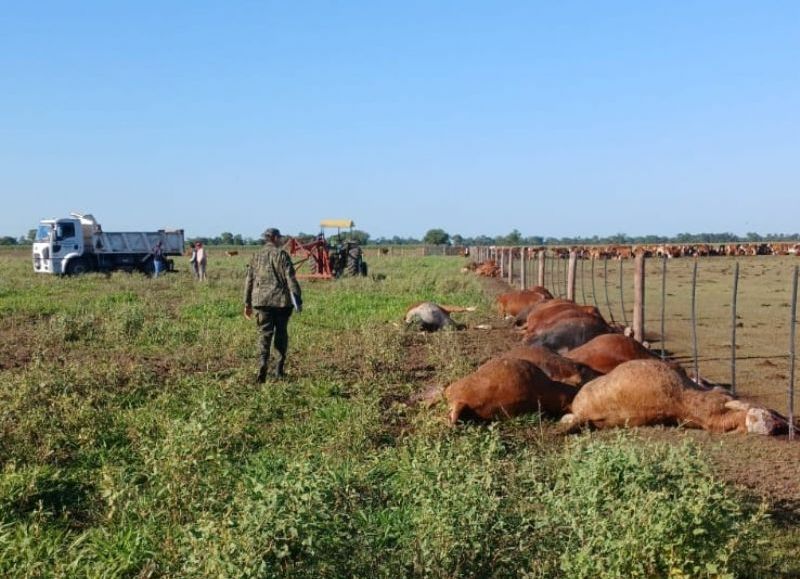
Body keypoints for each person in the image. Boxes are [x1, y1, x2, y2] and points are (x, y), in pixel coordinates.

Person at [243, 228, 302, 382]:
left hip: (261, 302)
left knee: (264, 334)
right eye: (280, 238)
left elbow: (249, 280)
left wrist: (247, 304)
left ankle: (262, 363)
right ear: (275, 238)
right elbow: (291, 279)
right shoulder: (282, 255)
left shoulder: (255, 256)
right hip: (282, 303)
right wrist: (297, 300)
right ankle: (278, 369)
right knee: (281, 334)